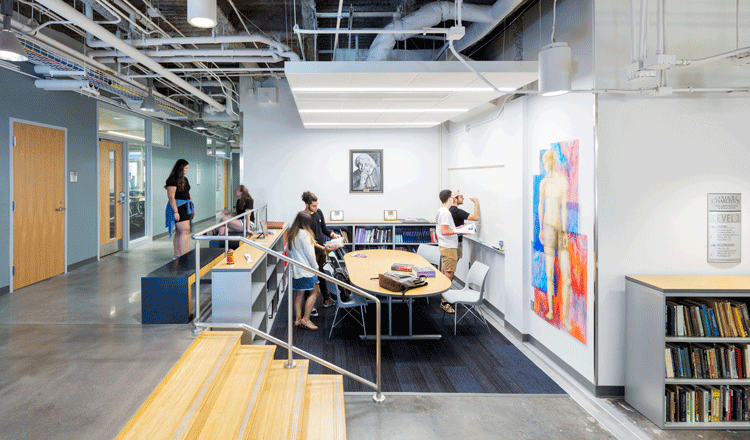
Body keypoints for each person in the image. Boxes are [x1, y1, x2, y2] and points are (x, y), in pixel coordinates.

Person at [538, 150, 572, 330]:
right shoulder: (544, 183)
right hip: (548, 229)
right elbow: (540, 206)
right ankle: (551, 311)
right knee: (549, 273)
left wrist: (565, 231)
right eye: (544, 162)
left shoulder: (561, 182)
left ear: (552, 161)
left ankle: (565, 317)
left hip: (560, 229)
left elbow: (564, 207)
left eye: (547, 161)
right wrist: (541, 229)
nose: (546, 165)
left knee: (566, 277)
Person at [302, 191, 340, 308]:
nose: (316, 207)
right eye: (313, 206)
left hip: (321, 250)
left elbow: (324, 229)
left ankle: (326, 299)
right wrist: (322, 247)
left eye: (317, 205)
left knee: (322, 275)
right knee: (310, 278)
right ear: (307, 204)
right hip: (309, 252)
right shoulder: (303, 217)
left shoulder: (318, 212)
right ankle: (310, 306)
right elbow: (307, 240)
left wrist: (333, 235)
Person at [286, 211, 320, 331]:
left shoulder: (291, 234)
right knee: (315, 291)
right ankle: (306, 320)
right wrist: (316, 268)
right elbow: (310, 255)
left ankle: (297, 320)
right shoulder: (305, 235)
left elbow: (289, 252)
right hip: (306, 271)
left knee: (299, 294)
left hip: (295, 271)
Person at [165, 159, 194, 259]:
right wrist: (176, 211)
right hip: (178, 207)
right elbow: (171, 197)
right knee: (184, 231)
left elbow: (188, 193)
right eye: (185, 168)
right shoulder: (172, 180)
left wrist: (192, 207)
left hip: (186, 207)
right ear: (180, 168)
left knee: (180, 231)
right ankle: (183, 256)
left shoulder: (185, 179)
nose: (187, 170)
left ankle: (177, 255)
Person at [436, 189, 458, 314]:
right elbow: (444, 231)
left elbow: (444, 229)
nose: (454, 199)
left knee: (445, 272)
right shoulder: (446, 213)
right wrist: (458, 231)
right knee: (449, 273)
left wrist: (456, 228)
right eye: (452, 197)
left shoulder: (441, 211)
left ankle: (443, 297)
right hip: (448, 247)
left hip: (444, 245)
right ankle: (444, 301)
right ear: (449, 199)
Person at [449, 191, 480, 262]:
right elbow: (475, 217)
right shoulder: (456, 211)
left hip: (451, 242)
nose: (463, 198)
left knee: (448, 268)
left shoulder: (450, 210)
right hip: (455, 243)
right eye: (461, 197)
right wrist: (476, 202)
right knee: (451, 269)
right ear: (455, 199)